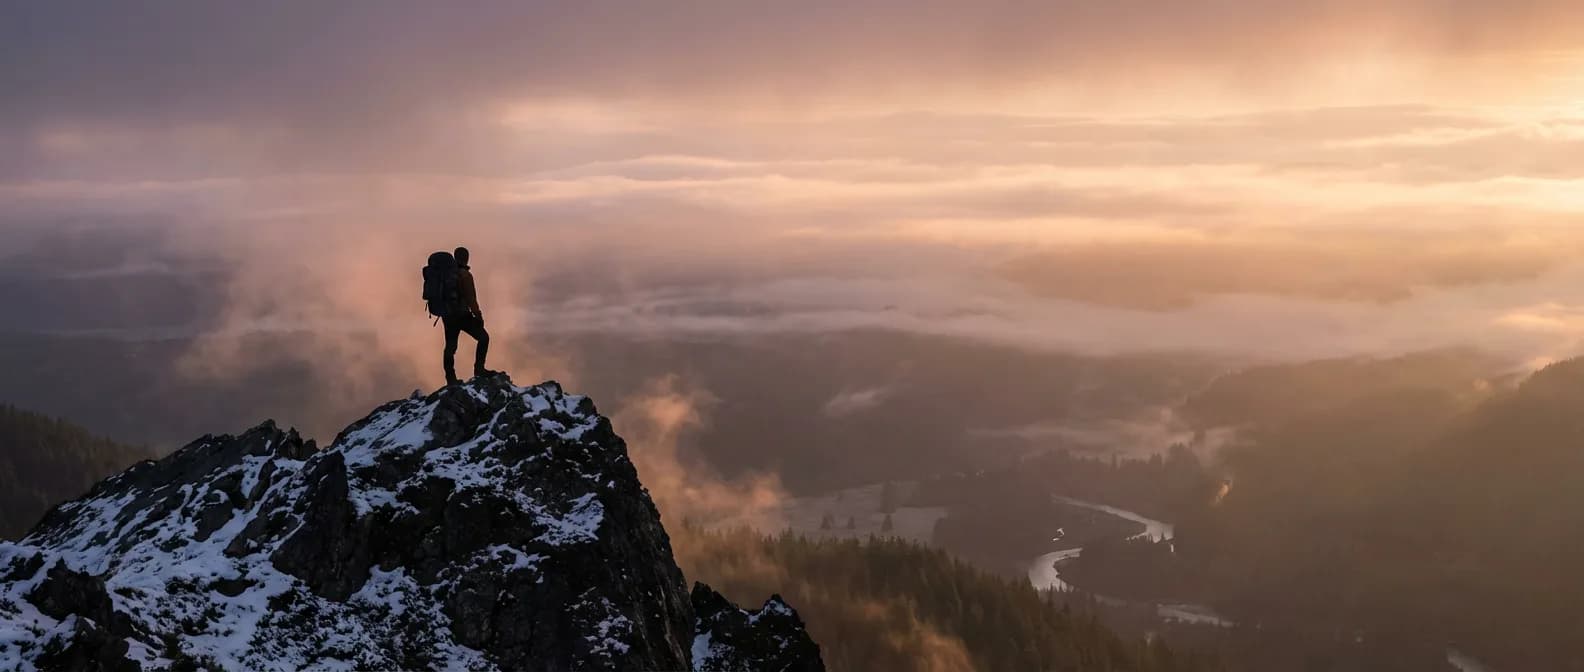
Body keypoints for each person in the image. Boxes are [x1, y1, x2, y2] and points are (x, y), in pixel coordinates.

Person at [443, 246, 499, 385]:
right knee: (484, 338)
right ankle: (479, 370)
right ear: (466, 258)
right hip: (462, 315)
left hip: (448, 316)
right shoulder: (465, 275)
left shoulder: (446, 274)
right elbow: (471, 299)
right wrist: (478, 316)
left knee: (450, 346)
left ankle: (450, 378)